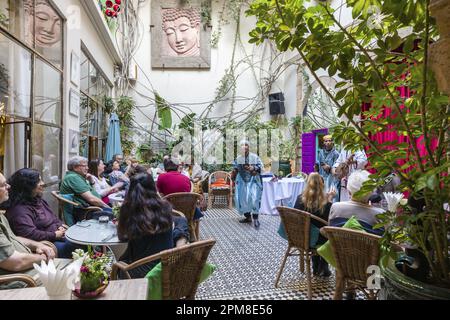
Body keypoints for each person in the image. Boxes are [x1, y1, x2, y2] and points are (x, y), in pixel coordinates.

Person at [117, 173, 190, 278]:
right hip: (166, 266)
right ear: (153, 188)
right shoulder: (164, 207)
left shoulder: (128, 210)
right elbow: (178, 220)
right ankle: (180, 241)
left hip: (139, 273)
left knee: (118, 264)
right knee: (181, 221)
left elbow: (122, 237)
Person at [5, 169, 80, 259]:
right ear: (27, 186)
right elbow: (29, 234)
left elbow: (54, 218)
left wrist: (60, 226)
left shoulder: (38, 200)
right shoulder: (19, 210)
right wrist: (55, 234)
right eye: (38, 181)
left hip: (55, 236)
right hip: (42, 244)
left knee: (81, 240)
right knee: (76, 247)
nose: (42, 183)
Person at [0, 172, 57, 289]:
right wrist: (43, 258)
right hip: (19, 280)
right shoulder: (19, 210)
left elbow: (13, 238)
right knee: (74, 278)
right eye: (3, 184)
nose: (9, 186)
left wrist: (37, 245)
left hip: (29, 270)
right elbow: (15, 262)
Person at [294, 173, 336, 277]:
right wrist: (330, 199)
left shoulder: (299, 198)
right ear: (322, 185)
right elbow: (329, 222)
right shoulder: (325, 204)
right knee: (328, 233)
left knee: (314, 229)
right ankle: (323, 265)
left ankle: (316, 266)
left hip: (300, 237)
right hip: (316, 239)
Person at [328, 170, 384, 234]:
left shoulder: (335, 207)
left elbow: (330, 232)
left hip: (338, 243)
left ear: (349, 191)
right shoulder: (380, 214)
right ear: (371, 192)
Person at [59, 156, 113, 223]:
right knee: (117, 215)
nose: (87, 168)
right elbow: (92, 199)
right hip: (86, 212)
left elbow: (95, 193)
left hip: (93, 208)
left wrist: (91, 181)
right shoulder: (73, 178)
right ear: (75, 167)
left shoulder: (79, 177)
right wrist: (108, 208)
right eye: (84, 166)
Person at [232, 140, 263, 229]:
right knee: (243, 200)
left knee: (254, 199)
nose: (244, 147)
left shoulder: (254, 157)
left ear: (249, 147)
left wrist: (253, 168)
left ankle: (256, 218)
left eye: (246, 145)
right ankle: (248, 217)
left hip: (253, 181)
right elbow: (235, 168)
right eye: (242, 145)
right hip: (241, 181)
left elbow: (261, 166)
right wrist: (233, 174)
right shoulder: (238, 158)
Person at [316, 135, 339, 200]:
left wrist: (330, 167)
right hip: (322, 177)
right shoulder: (320, 152)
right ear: (324, 143)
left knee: (331, 196)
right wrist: (317, 166)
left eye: (330, 140)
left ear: (332, 142)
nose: (328, 142)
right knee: (321, 195)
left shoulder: (336, 154)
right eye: (326, 141)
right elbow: (319, 162)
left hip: (331, 179)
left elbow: (337, 168)